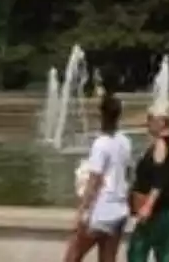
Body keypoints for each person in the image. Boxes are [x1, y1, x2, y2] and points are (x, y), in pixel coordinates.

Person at [64, 95, 132, 262]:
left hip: (101, 211)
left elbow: (94, 180)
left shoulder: (101, 144)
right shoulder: (125, 141)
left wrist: (81, 212)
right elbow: (128, 173)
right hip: (120, 210)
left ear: (101, 115)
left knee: (72, 256)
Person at [128, 102, 169, 262]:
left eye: (150, 118)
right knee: (164, 250)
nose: (147, 122)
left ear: (162, 121)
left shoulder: (161, 144)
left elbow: (160, 178)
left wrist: (147, 206)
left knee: (138, 249)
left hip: (158, 210)